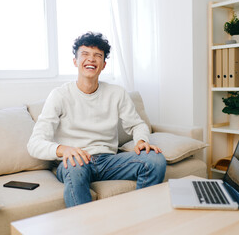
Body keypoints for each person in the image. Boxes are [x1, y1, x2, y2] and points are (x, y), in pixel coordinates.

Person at [27, 32, 166, 207]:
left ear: (103, 65)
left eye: (97, 56)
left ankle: (141, 216)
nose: (91, 59)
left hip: (108, 161)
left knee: (155, 160)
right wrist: (64, 149)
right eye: (85, 54)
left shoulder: (117, 93)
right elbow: (34, 144)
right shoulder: (59, 95)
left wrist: (141, 140)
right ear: (75, 61)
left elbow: (137, 124)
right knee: (75, 167)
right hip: (76, 162)